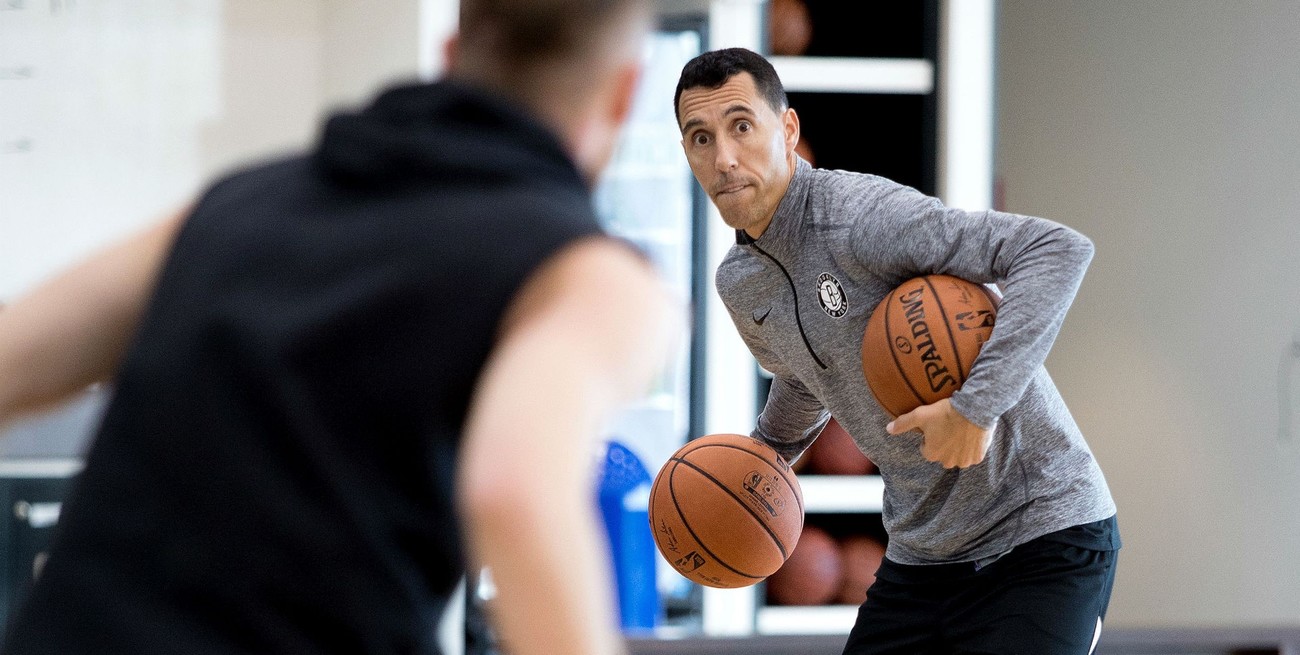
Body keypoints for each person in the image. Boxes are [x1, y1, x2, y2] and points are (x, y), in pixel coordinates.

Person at [0, 0, 682, 653]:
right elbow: (514, 495)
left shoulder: (235, 205)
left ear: (449, 57)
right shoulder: (587, 274)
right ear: (625, 93)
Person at [673, 47, 1119, 655]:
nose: (723, 157)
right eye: (700, 138)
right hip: (924, 558)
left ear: (788, 129)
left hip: (1041, 537)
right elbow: (807, 370)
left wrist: (975, 409)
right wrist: (764, 458)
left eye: (742, 126)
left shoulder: (859, 218)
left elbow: (1055, 250)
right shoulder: (741, 282)